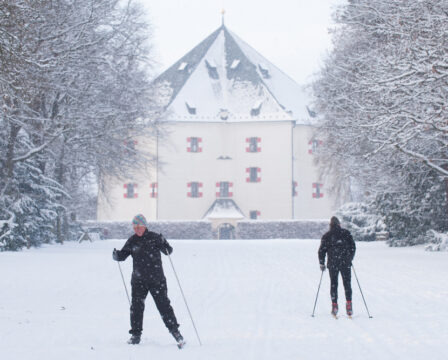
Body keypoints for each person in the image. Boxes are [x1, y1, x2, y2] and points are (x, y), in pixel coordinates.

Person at [112, 214, 184, 346]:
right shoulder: (132, 240)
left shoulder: (155, 238)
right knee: (136, 308)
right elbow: (123, 256)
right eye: (135, 227)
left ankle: (176, 332)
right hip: (138, 281)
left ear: (145, 226)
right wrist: (117, 255)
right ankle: (135, 335)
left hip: (157, 280)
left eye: (139, 227)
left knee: (164, 306)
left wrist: (164, 242)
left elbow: (168, 251)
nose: (137, 229)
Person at [318, 216, 356, 317]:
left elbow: (321, 250)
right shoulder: (346, 233)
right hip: (345, 263)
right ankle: (349, 305)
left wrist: (322, 263)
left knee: (334, 284)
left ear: (330, 225)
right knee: (347, 284)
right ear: (339, 224)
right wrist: (350, 258)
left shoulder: (327, 235)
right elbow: (353, 247)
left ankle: (334, 305)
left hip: (333, 263)